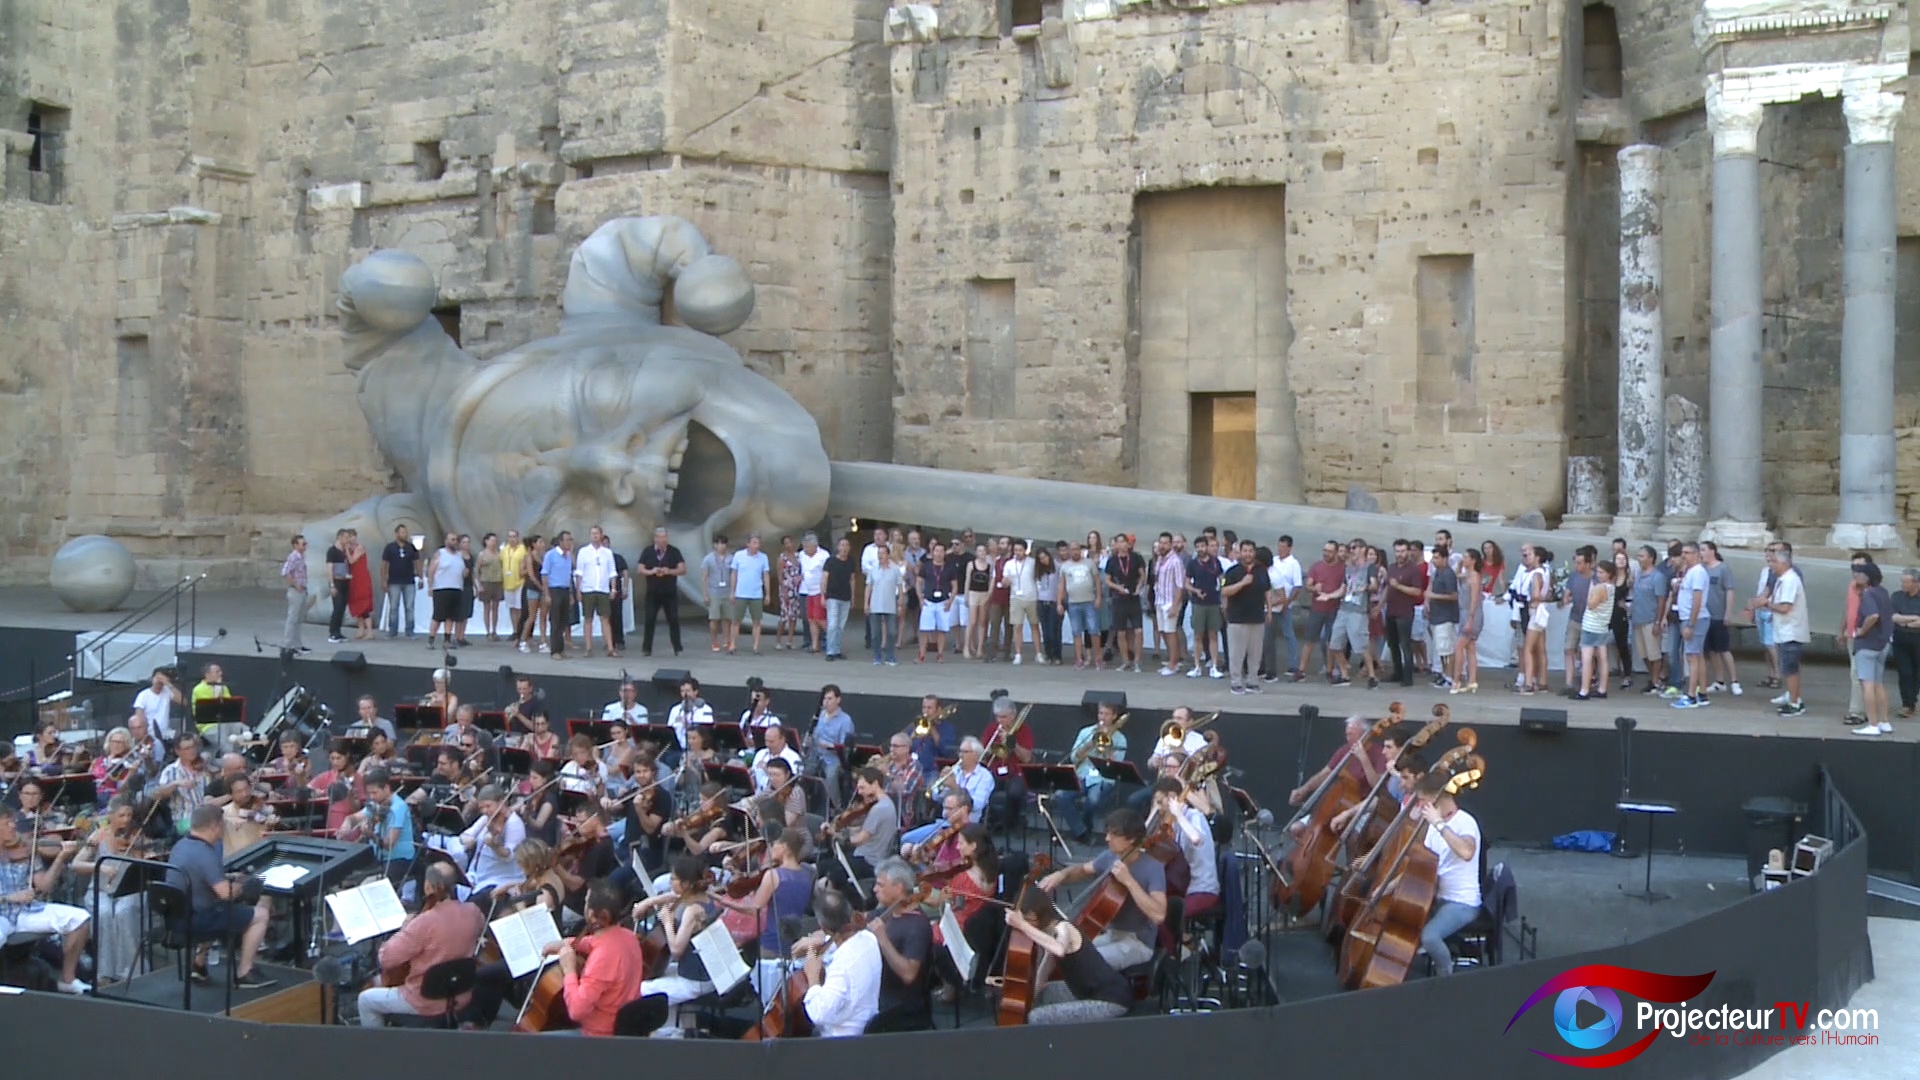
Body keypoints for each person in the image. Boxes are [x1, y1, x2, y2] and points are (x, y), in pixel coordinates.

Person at [357, 862, 487, 1026]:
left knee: (366, 1000)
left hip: (424, 1000)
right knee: (379, 982)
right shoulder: (473, 912)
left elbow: (386, 959)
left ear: (428, 886)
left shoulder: (423, 923)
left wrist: (404, 929)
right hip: (460, 994)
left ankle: (377, 1050)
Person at [1037, 808, 1165, 971]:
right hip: (1112, 934)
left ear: (1131, 838)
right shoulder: (1110, 857)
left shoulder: (1153, 867)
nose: (1107, 838)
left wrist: (1129, 881)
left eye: (1114, 834)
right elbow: (1082, 870)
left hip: (1138, 942)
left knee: (1084, 962)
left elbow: (1159, 915)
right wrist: (1061, 875)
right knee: (1059, 949)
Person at [166, 804, 274, 988]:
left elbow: (202, 879)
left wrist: (228, 880)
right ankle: (244, 972)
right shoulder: (205, 853)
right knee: (260, 915)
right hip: (197, 920)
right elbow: (226, 893)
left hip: (176, 916)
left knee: (214, 906)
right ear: (215, 827)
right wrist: (244, 885)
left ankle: (198, 965)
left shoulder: (180, 846)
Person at [1004, 886, 1133, 1025]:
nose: (1028, 923)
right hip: (1085, 991)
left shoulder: (1064, 928)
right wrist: (1034, 992)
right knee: (1044, 994)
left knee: (1036, 1017)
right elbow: (1048, 962)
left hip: (1110, 999)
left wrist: (1022, 925)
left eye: (1029, 919)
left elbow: (1059, 949)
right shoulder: (1050, 931)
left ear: (1040, 914)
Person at [0, 810, 91, 993]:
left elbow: (44, 886)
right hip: (2, 913)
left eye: (13, 823)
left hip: (26, 911)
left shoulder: (26, 850)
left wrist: (61, 858)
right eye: (6, 824)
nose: (13, 827)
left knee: (80, 919)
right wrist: (9, 897)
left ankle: (68, 979)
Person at [538, 879, 644, 1036]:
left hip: (598, 1035)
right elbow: (593, 942)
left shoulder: (602, 959)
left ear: (592, 915)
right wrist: (567, 943)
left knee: (534, 1042)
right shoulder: (629, 937)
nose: (584, 904)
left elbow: (576, 1010)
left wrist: (569, 970)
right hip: (624, 1027)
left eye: (587, 902)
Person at [631, 855, 718, 1035]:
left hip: (696, 981)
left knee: (639, 989)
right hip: (705, 972)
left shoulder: (692, 910)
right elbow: (675, 896)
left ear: (686, 884)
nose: (670, 882)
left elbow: (677, 950)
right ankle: (672, 1027)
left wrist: (668, 922)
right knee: (659, 973)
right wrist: (650, 902)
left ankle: (661, 1034)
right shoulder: (707, 896)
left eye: (673, 878)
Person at [1411, 770, 1483, 976]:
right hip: (1437, 897)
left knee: (1430, 937)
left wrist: (1439, 824)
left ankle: (1446, 976)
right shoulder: (1433, 826)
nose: (1420, 805)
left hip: (1462, 903)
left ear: (1436, 798)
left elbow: (1467, 851)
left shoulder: (1465, 822)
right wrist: (1387, 887)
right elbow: (1422, 868)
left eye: (1423, 800)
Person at [798, 887, 883, 1037]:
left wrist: (813, 977)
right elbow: (844, 939)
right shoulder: (869, 939)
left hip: (842, 1039)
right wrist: (818, 942)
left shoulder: (842, 966)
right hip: (868, 1025)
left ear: (823, 926)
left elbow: (819, 1014)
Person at [864, 858, 934, 1032]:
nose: (875, 889)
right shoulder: (881, 914)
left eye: (881, 885)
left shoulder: (917, 926)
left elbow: (909, 974)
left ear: (899, 888)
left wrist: (883, 939)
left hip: (901, 1005)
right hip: (877, 990)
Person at [1055, 701, 1129, 843]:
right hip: (1083, 774)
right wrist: (1090, 744)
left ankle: (1084, 829)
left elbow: (1115, 768)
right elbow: (1074, 758)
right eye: (1101, 713)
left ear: (1114, 716)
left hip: (1103, 778)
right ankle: (1081, 831)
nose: (1103, 717)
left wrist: (1107, 749)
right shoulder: (1086, 732)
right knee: (1060, 795)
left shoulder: (1120, 739)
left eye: (1107, 714)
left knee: (1093, 801)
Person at [344, 769, 416, 891]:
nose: (372, 797)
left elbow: (389, 844)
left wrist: (370, 834)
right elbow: (356, 817)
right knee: (348, 874)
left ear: (386, 788)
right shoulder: (376, 804)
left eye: (375, 793)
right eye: (369, 793)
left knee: (366, 885)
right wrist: (347, 823)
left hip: (398, 860)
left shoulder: (398, 808)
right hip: (378, 857)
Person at [1221, 539, 1271, 694]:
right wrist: (1242, 583)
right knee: (1237, 653)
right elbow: (1224, 591)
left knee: (1255, 653)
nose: (1248, 554)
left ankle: (1252, 681)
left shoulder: (1261, 570)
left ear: (1254, 552)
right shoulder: (1233, 571)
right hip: (1237, 618)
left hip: (1257, 618)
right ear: (1240, 552)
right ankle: (1236, 682)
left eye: (1250, 551)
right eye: (1245, 551)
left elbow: (1267, 590)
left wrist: (1269, 610)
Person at [1851, 561, 1895, 736]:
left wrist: (1861, 631)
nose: (1855, 576)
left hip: (1867, 644)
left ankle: (1872, 724)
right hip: (1882, 643)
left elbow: (1873, 615)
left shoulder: (1868, 595)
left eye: (1859, 573)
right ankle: (1884, 721)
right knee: (1879, 683)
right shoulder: (1883, 592)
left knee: (1866, 684)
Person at [637, 527, 687, 657]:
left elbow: (682, 569)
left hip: (669, 591)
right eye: (660, 537)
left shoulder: (674, 551)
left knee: (673, 619)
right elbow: (640, 569)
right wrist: (651, 571)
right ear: (655, 538)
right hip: (653, 592)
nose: (663, 540)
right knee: (650, 619)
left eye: (665, 537)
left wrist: (669, 571)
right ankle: (646, 648)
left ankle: (677, 647)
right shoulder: (647, 551)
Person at [575, 526, 619, 659]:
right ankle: (588, 648)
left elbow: (612, 572)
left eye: (597, 533)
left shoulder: (607, 553)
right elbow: (579, 573)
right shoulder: (583, 551)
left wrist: (613, 588)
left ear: (601, 535)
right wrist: (578, 590)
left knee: (605, 619)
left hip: (603, 589)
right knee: (588, 619)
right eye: (592, 533)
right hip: (588, 589)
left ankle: (610, 648)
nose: (594, 536)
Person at [729, 533, 773, 654]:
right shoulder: (739, 555)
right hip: (741, 593)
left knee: (757, 621)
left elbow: (766, 575)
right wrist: (732, 592)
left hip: (756, 593)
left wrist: (767, 593)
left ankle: (756, 646)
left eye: (758, 543)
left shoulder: (763, 557)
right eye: (754, 543)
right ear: (748, 544)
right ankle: (732, 645)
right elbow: (734, 574)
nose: (756, 545)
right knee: (736, 620)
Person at [1577, 561, 1615, 701]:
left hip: (1591, 626)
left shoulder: (1600, 588)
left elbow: (1591, 604)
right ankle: (1602, 688)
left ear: (1609, 574)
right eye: (1598, 572)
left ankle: (1584, 690)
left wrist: (1590, 591)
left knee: (1587, 658)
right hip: (1602, 625)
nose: (1598, 575)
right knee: (1602, 658)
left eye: (1601, 572)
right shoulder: (1611, 587)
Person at [915, 539, 956, 663]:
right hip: (928, 600)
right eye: (936, 551)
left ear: (944, 553)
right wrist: (920, 598)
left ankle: (940, 654)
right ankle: (922, 655)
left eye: (941, 551)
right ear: (932, 553)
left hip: (943, 601)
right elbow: (919, 582)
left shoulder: (949, 567)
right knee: (924, 629)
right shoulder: (926, 566)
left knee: (942, 629)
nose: (938, 554)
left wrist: (950, 600)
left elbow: (955, 585)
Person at [1887, 569, 1920, 720]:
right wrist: (1913, 619)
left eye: (1906, 582)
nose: (1903, 584)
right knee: (1905, 672)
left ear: (1916, 583)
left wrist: (1903, 619)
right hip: (1900, 639)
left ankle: (1912, 698)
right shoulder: (1897, 596)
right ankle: (1908, 704)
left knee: (1917, 673)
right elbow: (1893, 616)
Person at [543, 531, 578, 660]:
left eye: (571, 540)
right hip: (554, 589)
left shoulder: (568, 556)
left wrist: (570, 594)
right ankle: (554, 650)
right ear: (561, 541)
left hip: (565, 589)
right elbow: (545, 575)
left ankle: (561, 649)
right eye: (567, 540)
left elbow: (568, 575)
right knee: (555, 621)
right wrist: (547, 594)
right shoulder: (551, 555)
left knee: (564, 621)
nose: (569, 542)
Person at [132, 668, 184, 742]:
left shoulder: (167, 691)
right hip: (149, 735)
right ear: (152, 678)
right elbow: (139, 717)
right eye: (157, 677)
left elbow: (183, 702)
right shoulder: (143, 695)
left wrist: (168, 684)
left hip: (165, 734)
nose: (159, 680)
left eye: (162, 678)